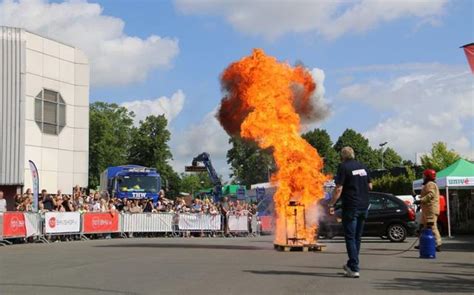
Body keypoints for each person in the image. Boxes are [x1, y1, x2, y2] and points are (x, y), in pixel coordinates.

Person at [328, 146, 372, 278]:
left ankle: (354, 268)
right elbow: (370, 186)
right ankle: (351, 264)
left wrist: (331, 203)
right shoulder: (363, 167)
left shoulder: (343, 167)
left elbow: (338, 189)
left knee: (350, 237)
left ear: (343, 156)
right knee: (357, 237)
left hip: (351, 207)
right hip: (364, 206)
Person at [415, 169, 442, 251]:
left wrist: (421, 200)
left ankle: (438, 244)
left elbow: (430, 195)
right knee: (423, 226)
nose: (423, 177)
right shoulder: (428, 184)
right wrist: (420, 201)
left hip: (431, 210)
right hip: (426, 210)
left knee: (432, 226)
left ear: (428, 176)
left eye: (424, 175)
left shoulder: (430, 184)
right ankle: (422, 243)